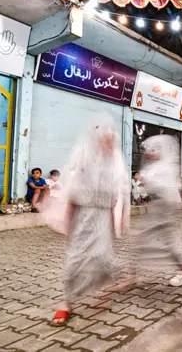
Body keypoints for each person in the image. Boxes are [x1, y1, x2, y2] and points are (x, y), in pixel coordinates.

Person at [50, 115, 130, 326]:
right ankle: (67, 302)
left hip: (103, 217)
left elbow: (121, 192)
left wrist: (120, 219)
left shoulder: (116, 162)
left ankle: (113, 278)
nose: (108, 141)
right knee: (75, 259)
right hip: (83, 216)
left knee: (103, 258)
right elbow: (71, 186)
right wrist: (68, 218)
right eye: (105, 137)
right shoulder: (83, 156)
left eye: (111, 137)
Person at [132, 135, 182, 287]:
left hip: (167, 206)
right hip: (158, 206)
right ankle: (133, 275)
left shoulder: (166, 166)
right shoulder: (155, 167)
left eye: (153, 150)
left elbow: (165, 187)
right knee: (145, 238)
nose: (149, 153)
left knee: (170, 241)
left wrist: (148, 181)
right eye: (148, 150)